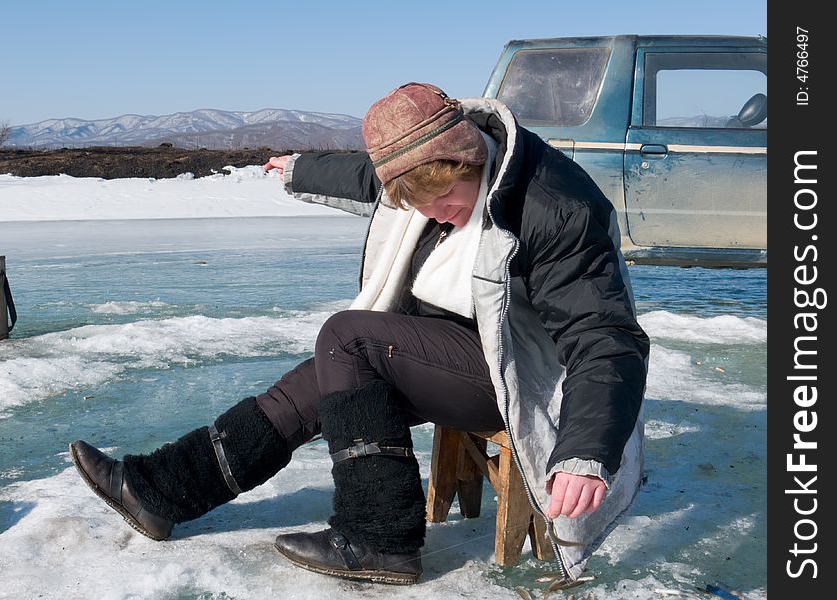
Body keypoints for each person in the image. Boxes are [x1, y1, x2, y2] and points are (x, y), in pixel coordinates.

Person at [69, 82, 649, 587]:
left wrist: (585, 452)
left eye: (445, 200)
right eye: (421, 204)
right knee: (315, 379)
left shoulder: (553, 208)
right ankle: (161, 490)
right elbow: (371, 182)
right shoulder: (437, 174)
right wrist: (297, 167)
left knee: (349, 340)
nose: (438, 213)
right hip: (457, 341)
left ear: (468, 161)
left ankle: (380, 538)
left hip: (518, 371)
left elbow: (605, 337)